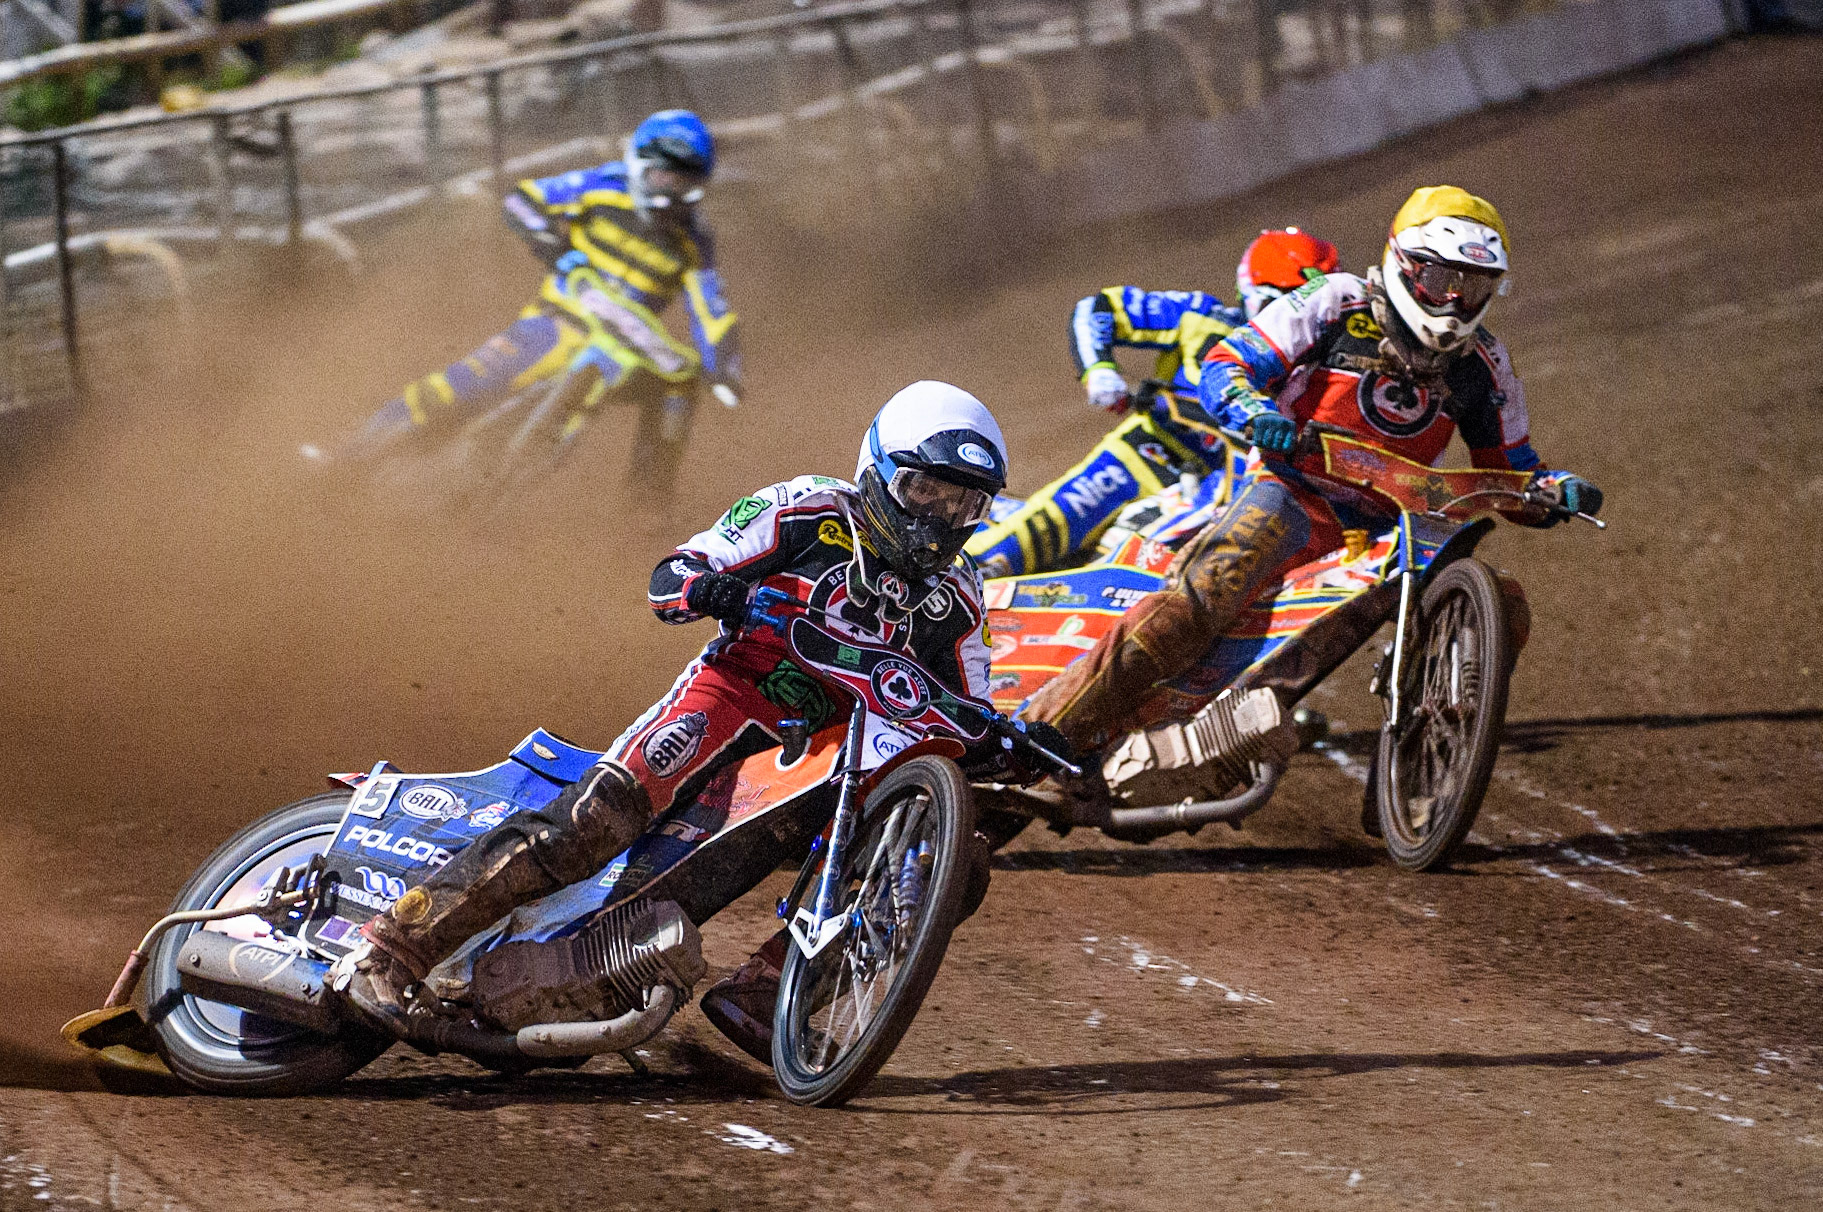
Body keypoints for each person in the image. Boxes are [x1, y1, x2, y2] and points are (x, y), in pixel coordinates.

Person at [334, 381, 1012, 1048]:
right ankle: (392, 951)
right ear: (878, 471)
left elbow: (970, 707)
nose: (939, 520)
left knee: (944, 869)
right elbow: (674, 574)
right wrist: (716, 590)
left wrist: (1015, 738)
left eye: (964, 504)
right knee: (594, 820)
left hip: (825, 752)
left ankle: (768, 996)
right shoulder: (808, 507)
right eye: (925, 491)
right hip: (730, 698)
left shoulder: (961, 592)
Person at [1022, 187, 1602, 753]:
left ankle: (1434, 754)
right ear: (1403, 264)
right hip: (1293, 495)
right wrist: (1253, 409)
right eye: (1439, 280)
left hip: (1395, 526)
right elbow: (1229, 362)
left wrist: (1551, 492)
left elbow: (1511, 468)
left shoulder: (1486, 364)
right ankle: (1048, 732)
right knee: (1204, 590)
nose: (1452, 301)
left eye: (1471, 286)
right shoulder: (1336, 300)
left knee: (1503, 599)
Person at [312, 110, 741, 471]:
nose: (671, 193)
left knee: (680, 382)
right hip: (557, 323)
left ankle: (645, 514)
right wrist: (555, 249)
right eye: (664, 177)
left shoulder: (695, 241)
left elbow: (711, 310)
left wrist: (724, 368)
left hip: (626, 350)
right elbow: (523, 200)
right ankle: (346, 459)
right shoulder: (601, 188)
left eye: (684, 184)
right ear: (639, 164)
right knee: (454, 388)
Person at [966, 228, 1341, 578]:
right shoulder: (1202, 318)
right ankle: (955, 582)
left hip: (1233, 488)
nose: (1298, 317)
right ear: (1257, 293)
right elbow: (1099, 309)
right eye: (1291, 301)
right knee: (1040, 531)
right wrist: (1099, 369)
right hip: (1150, 452)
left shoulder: (1324, 370)